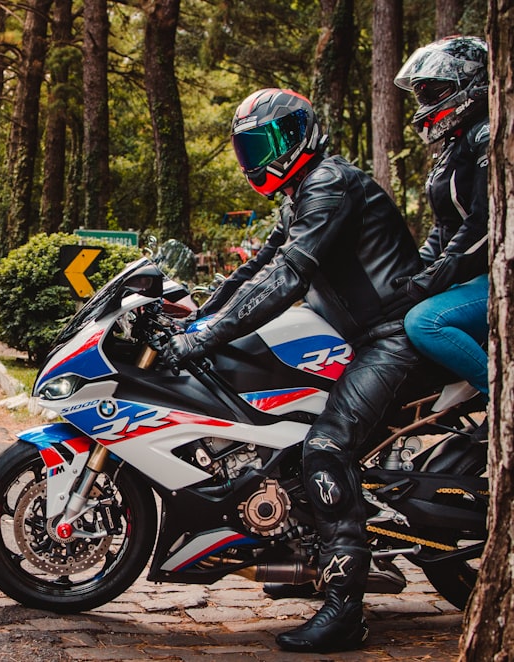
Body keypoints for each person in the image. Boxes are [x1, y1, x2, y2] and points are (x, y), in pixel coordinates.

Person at [168, 88, 425, 653]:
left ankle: (344, 611)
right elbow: (262, 266)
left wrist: (208, 335)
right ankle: (306, 554)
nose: (253, 158)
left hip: (391, 337)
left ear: (296, 137)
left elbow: (289, 277)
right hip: (354, 337)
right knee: (289, 435)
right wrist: (197, 315)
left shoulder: (331, 184)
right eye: (247, 146)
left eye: (262, 144)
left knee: (325, 448)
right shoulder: (301, 194)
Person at [390, 36, 490, 414]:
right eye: (422, 93)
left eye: (435, 90)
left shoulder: (488, 135)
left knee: (425, 322)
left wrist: (431, 280)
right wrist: (408, 274)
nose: (427, 100)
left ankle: (498, 397)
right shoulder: (456, 144)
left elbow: (483, 224)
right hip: (474, 276)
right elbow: (446, 228)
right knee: (398, 313)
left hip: (499, 275)